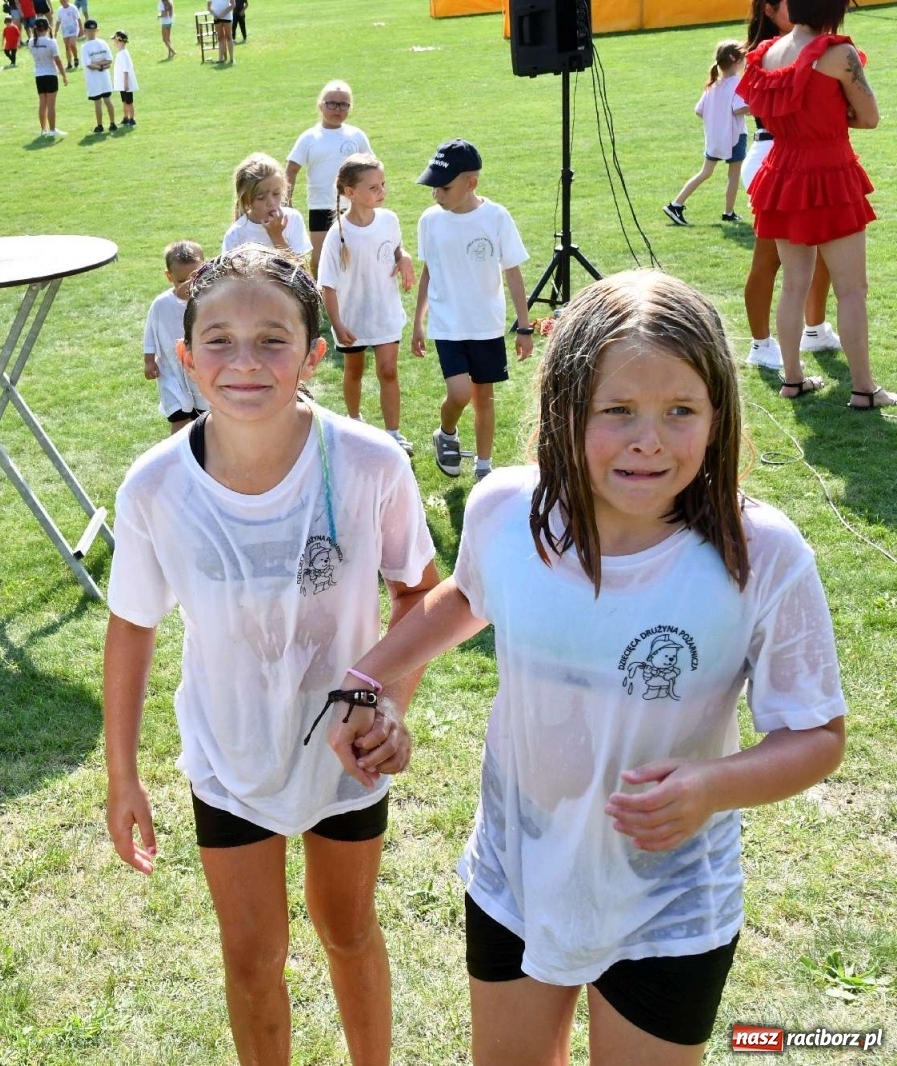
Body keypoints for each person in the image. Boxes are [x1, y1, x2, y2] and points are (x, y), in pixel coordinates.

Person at [326, 270, 848, 1066]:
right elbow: (467, 598)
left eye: (681, 411)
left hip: (669, 900)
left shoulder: (759, 554)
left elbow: (815, 732)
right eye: (618, 411)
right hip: (516, 874)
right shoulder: (508, 510)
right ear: (565, 409)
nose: (649, 439)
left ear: (719, 416)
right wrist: (366, 679)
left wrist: (713, 786)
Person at [106, 244, 439, 1066]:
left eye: (272, 339)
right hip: (231, 755)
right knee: (254, 960)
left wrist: (388, 703)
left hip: (344, 754)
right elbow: (133, 626)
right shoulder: (155, 489)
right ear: (184, 358)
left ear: (315, 352)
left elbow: (421, 597)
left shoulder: (368, 463)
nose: (243, 362)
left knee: (347, 928)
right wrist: (123, 773)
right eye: (217, 340)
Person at [741, 0, 891, 409]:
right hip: (829, 170)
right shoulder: (838, 53)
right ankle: (864, 389)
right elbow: (870, 117)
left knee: (792, 284)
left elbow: (766, 112)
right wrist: (831, 117)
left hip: (782, 172)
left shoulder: (766, 54)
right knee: (852, 290)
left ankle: (792, 380)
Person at [412, 138, 532, 482]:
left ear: (471, 183)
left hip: (486, 325)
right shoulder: (430, 221)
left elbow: (512, 271)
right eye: (433, 187)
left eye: (444, 188)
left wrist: (523, 327)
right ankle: (446, 432)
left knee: (484, 396)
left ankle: (483, 466)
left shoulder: (496, 217)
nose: (437, 195)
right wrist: (419, 322)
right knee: (460, 392)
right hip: (447, 324)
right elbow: (428, 271)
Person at [739, 0, 835, 372]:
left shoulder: (806, 42)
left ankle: (816, 329)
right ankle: (761, 344)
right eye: (787, 2)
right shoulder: (766, 53)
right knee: (770, 258)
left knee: (826, 250)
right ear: (767, 9)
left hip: (804, 157)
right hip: (774, 155)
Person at [319, 154, 415, 450]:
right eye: (373, 187)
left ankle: (393, 433)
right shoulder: (338, 235)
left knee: (388, 370)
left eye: (383, 185)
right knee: (354, 370)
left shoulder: (389, 220)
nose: (381, 191)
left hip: (384, 312)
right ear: (350, 193)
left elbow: (395, 248)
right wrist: (336, 323)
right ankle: (354, 421)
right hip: (353, 317)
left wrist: (405, 258)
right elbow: (328, 285)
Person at [286, 79, 373, 275]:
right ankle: (321, 299)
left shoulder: (356, 136)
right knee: (320, 259)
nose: (337, 109)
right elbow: (291, 169)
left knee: (355, 256)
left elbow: (372, 167)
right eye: (331, 103)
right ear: (320, 105)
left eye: (343, 104)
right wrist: (287, 201)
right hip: (320, 207)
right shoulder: (309, 138)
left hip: (352, 205)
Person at [664, 41, 749, 227]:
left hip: (714, 138)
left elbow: (699, 110)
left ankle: (676, 204)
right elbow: (739, 108)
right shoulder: (737, 84)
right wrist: (756, 105)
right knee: (733, 175)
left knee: (705, 172)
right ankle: (728, 212)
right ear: (737, 61)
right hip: (735, 136)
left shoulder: (713, 85)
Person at [142, 240, 207, 434]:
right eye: (181, 281)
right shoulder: (161, 304)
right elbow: (150, 333)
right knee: (179, 418)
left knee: (203, 418)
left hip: (201, 371)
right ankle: (176, 456)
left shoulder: (209, 300)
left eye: (194, 278)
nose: (188, 286)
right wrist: (149, 361)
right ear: (169, 276)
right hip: (171, 372)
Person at [221, 152, 311, 259]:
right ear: (246, 201)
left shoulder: (293, 219)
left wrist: (276, 235)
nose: (271, 202)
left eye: (276, 194)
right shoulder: (235, 234)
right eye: (261, 197)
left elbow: (300, 272)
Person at [28, 17, 67, 135]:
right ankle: (52, 130)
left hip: (39, 75)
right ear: (47, 28)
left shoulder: (31, 42)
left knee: (42, 103)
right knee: (51, 104)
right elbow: (58, 60)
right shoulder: (51, 42)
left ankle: (43, 129)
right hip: (50, 74)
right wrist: (64, 75)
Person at [80, 19, 115, 133]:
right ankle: (112, 123)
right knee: (108, 100)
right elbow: (109, 60)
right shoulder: (103, 43)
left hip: (94, 78)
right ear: (97, 30)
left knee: (98, 102)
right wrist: (102, 65)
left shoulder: (85, 47)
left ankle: (100, 125)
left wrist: (97, 65)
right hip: (104, 76)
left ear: (84, 31)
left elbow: (89, 64)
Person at [110, 30, 136, 126]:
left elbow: (126, 69)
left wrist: (125, 82)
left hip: (125, 82)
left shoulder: (124, 54)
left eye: (115, 40)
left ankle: (132, 118)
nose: (114, 43)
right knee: (124, 100)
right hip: (122, 82)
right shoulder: (120, 53)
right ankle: (125, 117)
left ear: (119, 41)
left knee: (129, 101)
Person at [55, 0, 81, 69]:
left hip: (73, 29)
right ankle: (69, 63)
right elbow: (58, 21)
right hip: (65, 30)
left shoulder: (73, 8)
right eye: (61, 1)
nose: (62, 1)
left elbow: (78, 18)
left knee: (72, 44)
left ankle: (75, 58)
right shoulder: (60, 10)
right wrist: (55, 31)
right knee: (67, 47)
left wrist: (81, 29)